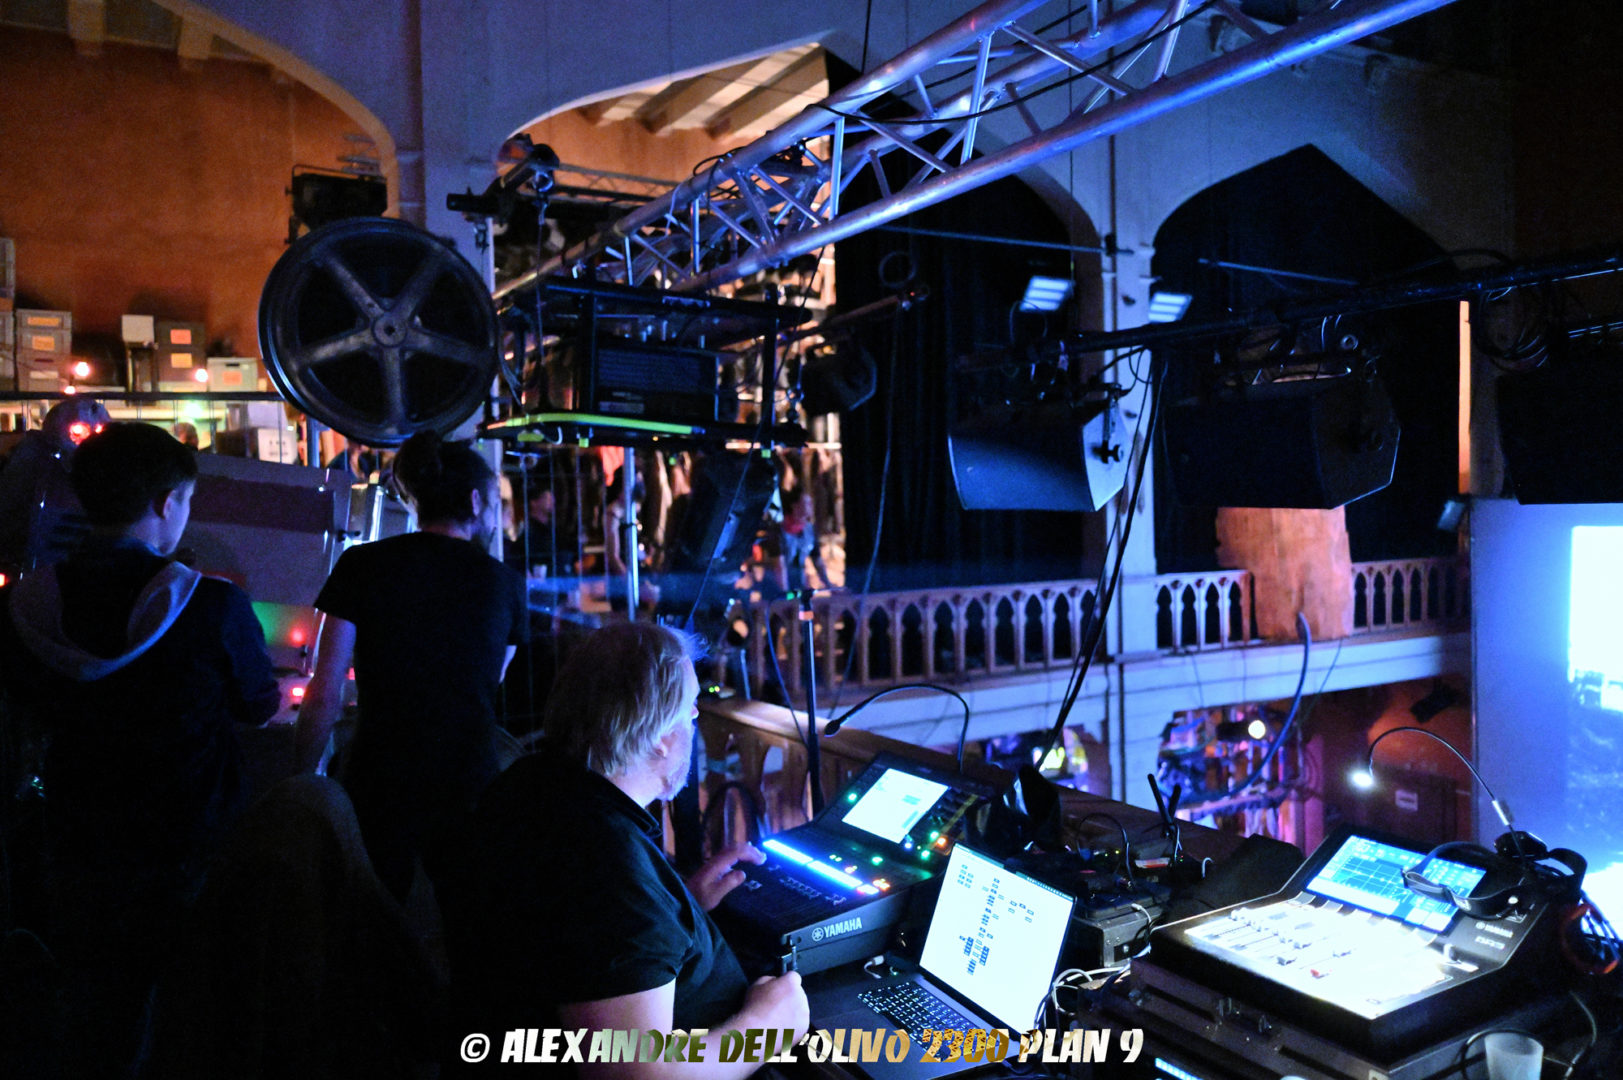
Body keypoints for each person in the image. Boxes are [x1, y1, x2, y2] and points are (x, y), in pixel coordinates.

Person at [0, 421, 279, 1076]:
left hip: (74, 829)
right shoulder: (209, 604)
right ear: (165, 501)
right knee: (186, 1003)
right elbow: (259, 704)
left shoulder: (26, 604)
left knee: (93, 997)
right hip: (188, 838)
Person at [442, 622, 808, 1077]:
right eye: (691, 709)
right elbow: (635, 1074)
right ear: (659, 737)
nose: (696, 719)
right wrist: (768, 1027)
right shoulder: (605, 865)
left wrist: (679, 908)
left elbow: (583, 940)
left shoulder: (529, 784)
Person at [296, 430, 528, 900]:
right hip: (468, 779)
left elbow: (324, 691)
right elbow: (492, 678)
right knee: (465, 918)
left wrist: (300, 783)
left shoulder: (361, 564)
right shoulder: (504, 584)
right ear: (475, 501)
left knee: (370, 918)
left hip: (378, 774)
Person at [765, 486, 830, 598]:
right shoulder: (778, 530)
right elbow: (779, 567)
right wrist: (786, 597)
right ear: (794, 506)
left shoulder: (809, 530)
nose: (811, 506)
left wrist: (830, 587)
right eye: (807, 503)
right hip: (776, 591)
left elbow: (817, 561)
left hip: (798, 586)